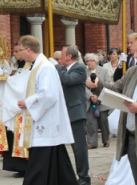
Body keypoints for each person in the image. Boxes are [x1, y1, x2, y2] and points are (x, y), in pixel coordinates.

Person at [87, 31, 137, 185]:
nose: (136, 56)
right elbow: (114, 88)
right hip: (131, 140)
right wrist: (97, 83)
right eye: (134, 52)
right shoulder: (133, 72)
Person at [15, 35, 77, 185]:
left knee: (39, 167)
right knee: (59, 165)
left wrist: (27, 102)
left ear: (29, 50)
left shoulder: (45, 68)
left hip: (45, 125)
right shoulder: (37, 66)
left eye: (20, 50)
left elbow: (49, 95)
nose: (19, 53)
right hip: (44, 123)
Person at [0, 41, 30, 178]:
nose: (14, 53)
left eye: (17, 51)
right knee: (12, 136)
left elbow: (22, 84)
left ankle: (25, 167)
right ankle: (16, 166)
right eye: (13, 51)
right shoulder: (15, 66)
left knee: (21, 136)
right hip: (11, 105)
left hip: (21, 107)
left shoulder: (28, 67)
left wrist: (8, 80)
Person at [54, 45, 90, 185]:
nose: (61, 58)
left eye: (62, 55)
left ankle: (84, 178)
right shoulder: (64, 70)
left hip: (75, 113)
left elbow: (68, 80)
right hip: (63, 113)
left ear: (69, 56)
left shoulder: (79, 68)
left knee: (79, 147)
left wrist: (57, 67)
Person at [84, 53, 112, 149]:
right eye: (87, 61)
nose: (89, 63)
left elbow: (108, 84)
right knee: (90, 122)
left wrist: (99, 97)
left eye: (91, 60)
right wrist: (91, 96)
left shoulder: (104, 71)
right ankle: (91, 142)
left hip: (102, 100)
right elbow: (83, 87)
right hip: (90, 100)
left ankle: (106, 139)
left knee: (103, 121)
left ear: (96, 61)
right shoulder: (84, 72)